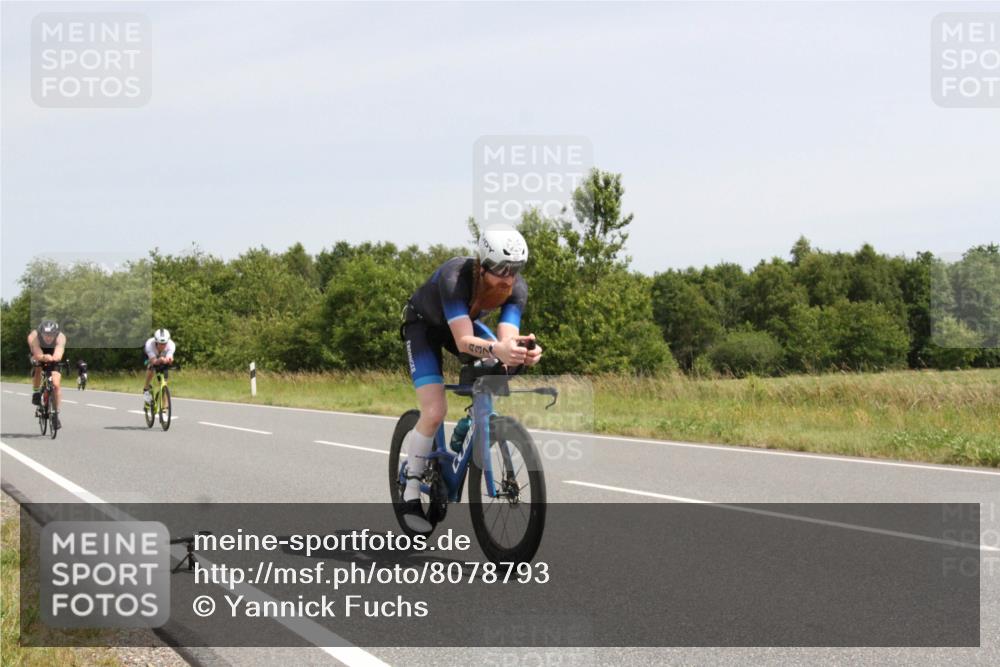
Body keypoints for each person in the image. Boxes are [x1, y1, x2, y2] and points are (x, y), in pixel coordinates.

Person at [399, 227, 542, 531]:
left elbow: (506, 338)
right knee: (435, 410)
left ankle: (470, 424)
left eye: (516, 269)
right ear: (483, 265)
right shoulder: (455, 277)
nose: (508, 278)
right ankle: (410, 488)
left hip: (462, 326)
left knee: (500, 363)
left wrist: (520, 353)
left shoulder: (517, 288)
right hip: (424, 328)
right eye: (502, 268)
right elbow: (464, 342)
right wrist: (497, 349)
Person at [27, 320, 67, 429]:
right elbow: (37, 352)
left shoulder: (61, 337)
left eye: (51, 335)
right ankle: (36, 392)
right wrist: (44, 357)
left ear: (56, 333)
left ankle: (55, 414)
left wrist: (54, 358)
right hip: (38, 353)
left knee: (56, 385)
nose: (48, 337)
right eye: (46, 334)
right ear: (41, 333)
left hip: (53, 354)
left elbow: (59, 352)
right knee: (38, 367)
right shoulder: (34, 336)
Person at [142, 329, 175, 404]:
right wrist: (159, 360)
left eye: (164, 344)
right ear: (156, 342)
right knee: (151, 366)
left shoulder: (171, 345)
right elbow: (154, 361)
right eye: (160, 344)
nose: (162, 346)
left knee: (164, 382)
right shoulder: (149, 345)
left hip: (162, 357)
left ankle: (164, 405)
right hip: (150, 357)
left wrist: (169, 360)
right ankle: (146, 388)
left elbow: (169, 357)